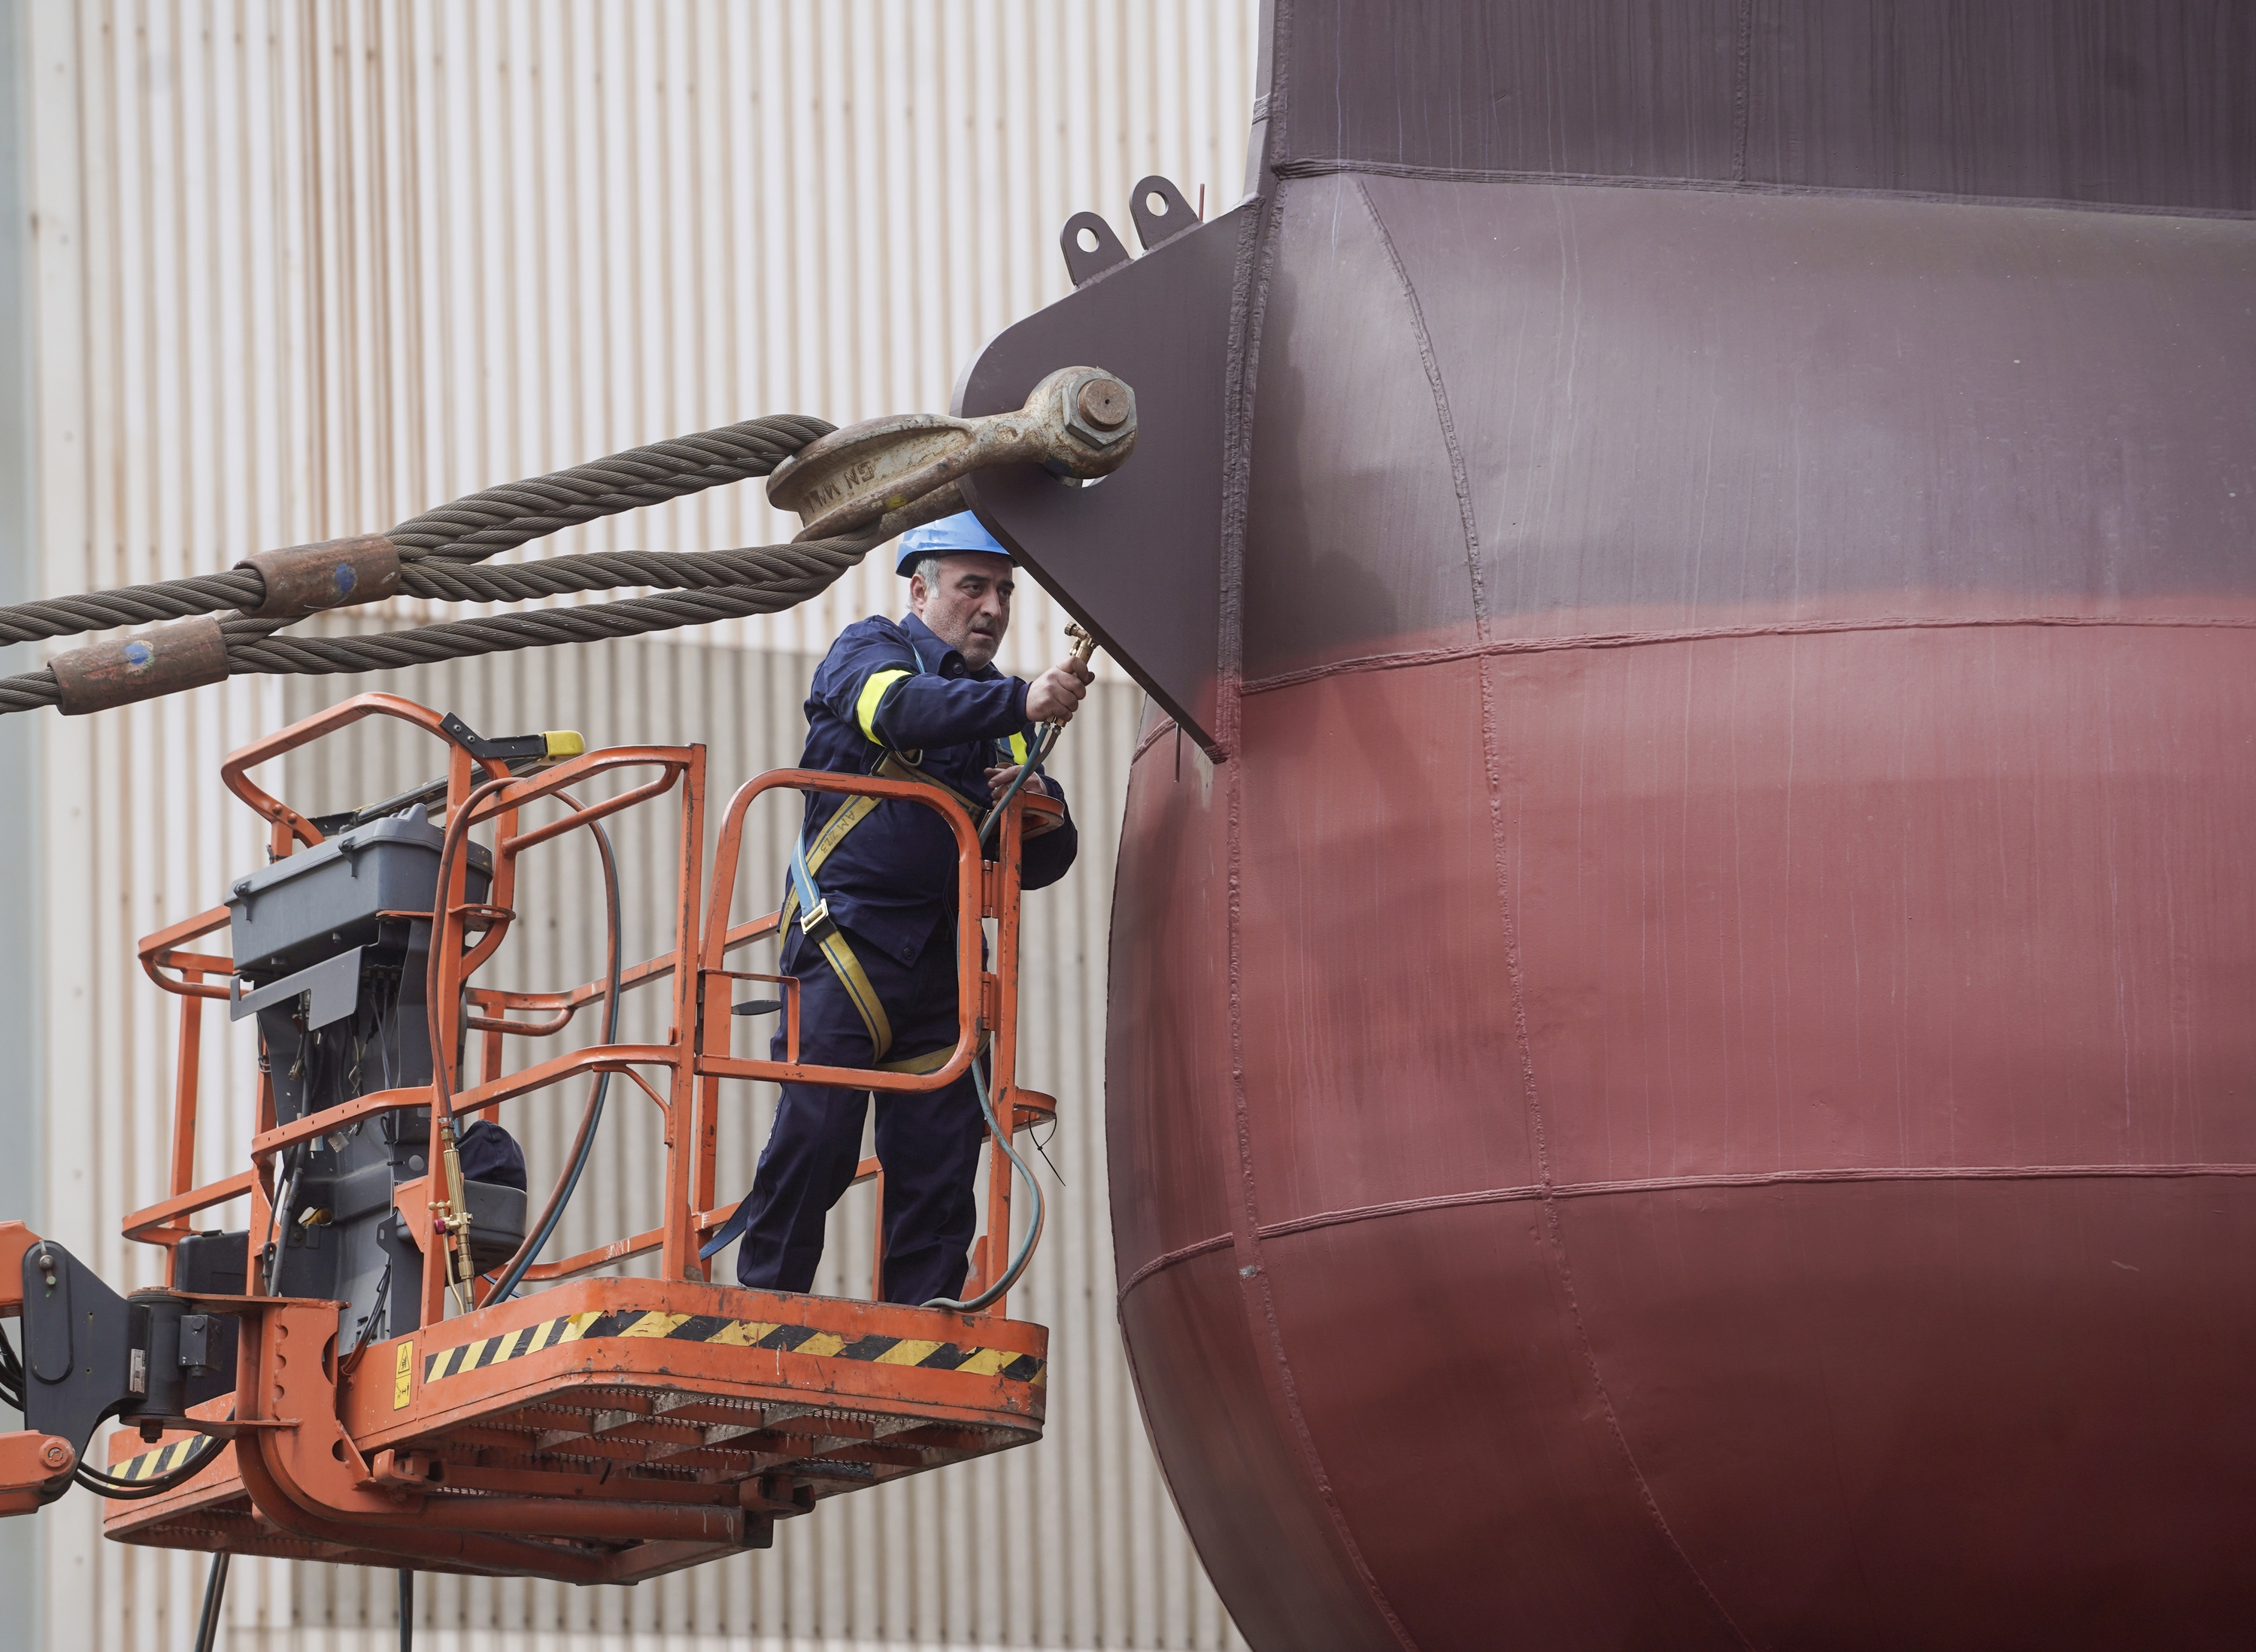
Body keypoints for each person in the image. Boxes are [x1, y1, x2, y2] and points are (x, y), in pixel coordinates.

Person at [708, 509, 1092, 1304]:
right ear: (920, 591)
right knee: (818, 1133)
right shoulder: (870, 653)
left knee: (939, 1165)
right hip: (847, 941)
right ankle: (767, 1302)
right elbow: (898, 710)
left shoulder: (1003, 716)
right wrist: (1022, 702)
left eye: (1004, 592)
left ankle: (926, 1322)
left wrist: (1039, 803)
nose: (992, 607)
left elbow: (1043, 862)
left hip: (943, 969)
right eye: (973, 587)